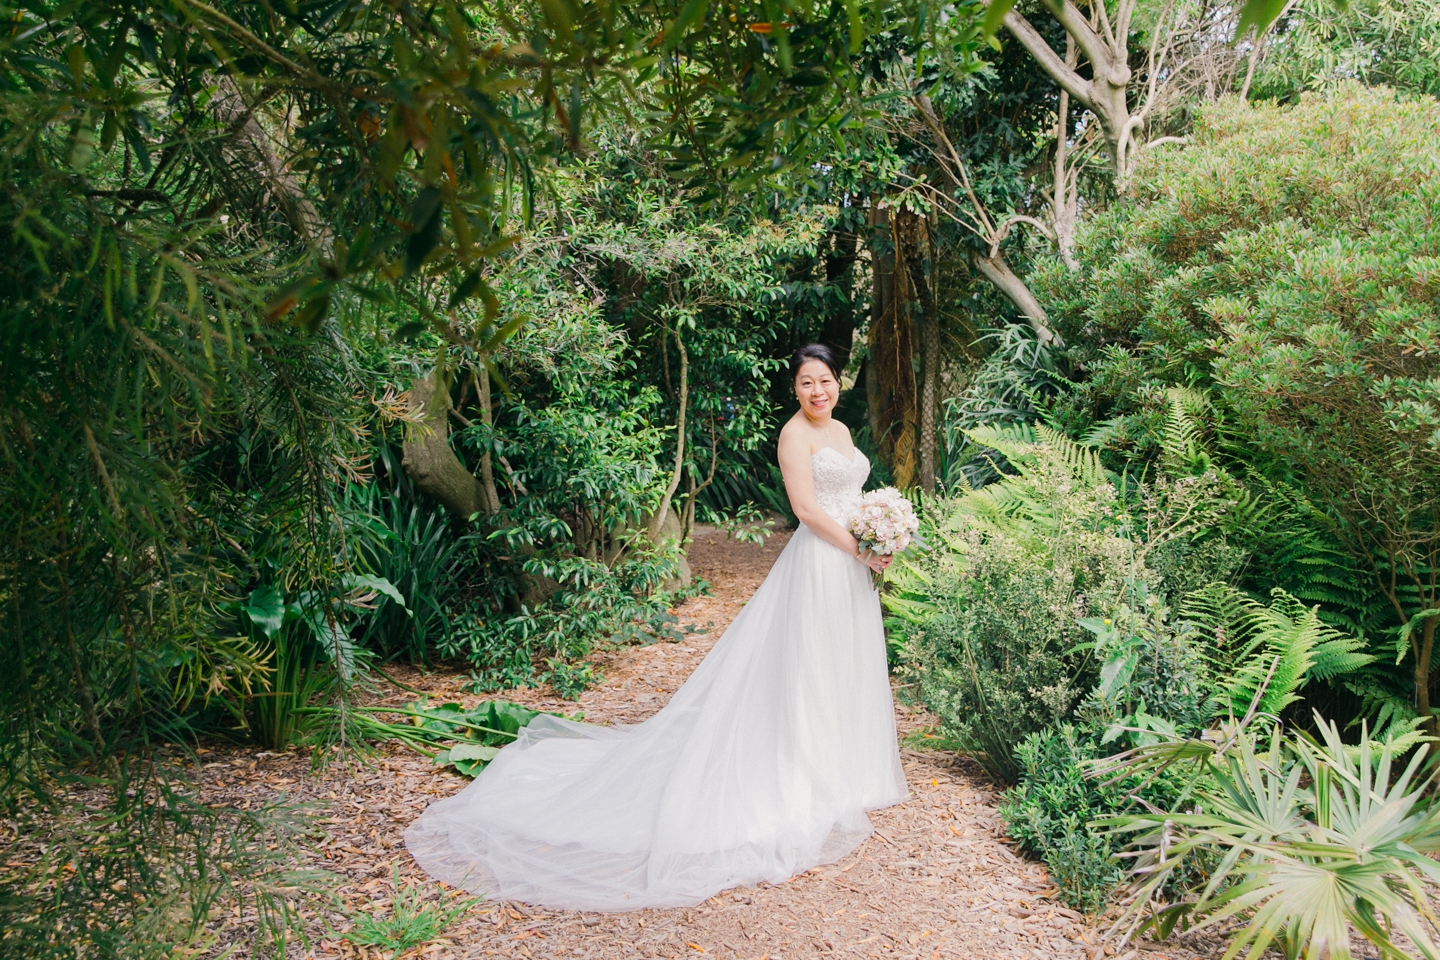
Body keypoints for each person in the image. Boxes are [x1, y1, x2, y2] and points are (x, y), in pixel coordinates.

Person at [404, 343, 908, 911]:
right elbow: (808, 511)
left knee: (843, 662)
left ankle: (845, 769)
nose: (817, 391)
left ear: (839, 381)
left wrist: (876, 535)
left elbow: (853, 496)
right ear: (794, 390)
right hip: (821, 560)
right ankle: (807, 773)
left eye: (825, 381)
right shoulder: (795, 435)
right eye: (806, 384)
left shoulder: (840, 430)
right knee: (811, 666)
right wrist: (860, 547)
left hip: (850, 563)